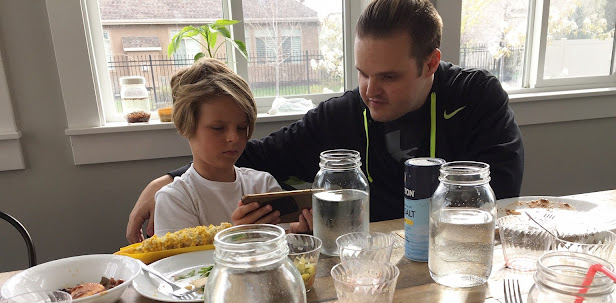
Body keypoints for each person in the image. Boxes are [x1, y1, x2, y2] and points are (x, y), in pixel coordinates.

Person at [127, 0, 523, 243]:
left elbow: (499, 196)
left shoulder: (477, 98)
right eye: (362, 73)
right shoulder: (342, 114)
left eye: (388, 77)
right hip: (371, 265)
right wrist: (168, 179)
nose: (370, 91)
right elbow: (258, 154)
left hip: (456, 254)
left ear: (430, 63)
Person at [152, 58, 312, 237]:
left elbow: (284, 244)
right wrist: (237, 238)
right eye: (218, 128)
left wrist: (297, 234)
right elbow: (182, 256)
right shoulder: (175, 199)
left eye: (242, 128)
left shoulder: (263, 185)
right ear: (185, 126)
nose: (234, 137)